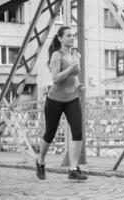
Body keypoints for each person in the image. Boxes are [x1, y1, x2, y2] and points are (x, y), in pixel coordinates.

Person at [35, 26, 87, 180]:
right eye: (69, 36)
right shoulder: (56, 56)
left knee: (77, 131)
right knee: (50, 133)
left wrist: (78, 84)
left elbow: (75, 75)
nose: (72, 38)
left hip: (72, 99)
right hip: (55, 101)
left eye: (73, 35)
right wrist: (72, 68)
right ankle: (40, 161)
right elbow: (56, 78)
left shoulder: (76, 55)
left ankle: (73, 169)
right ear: (60, 38)